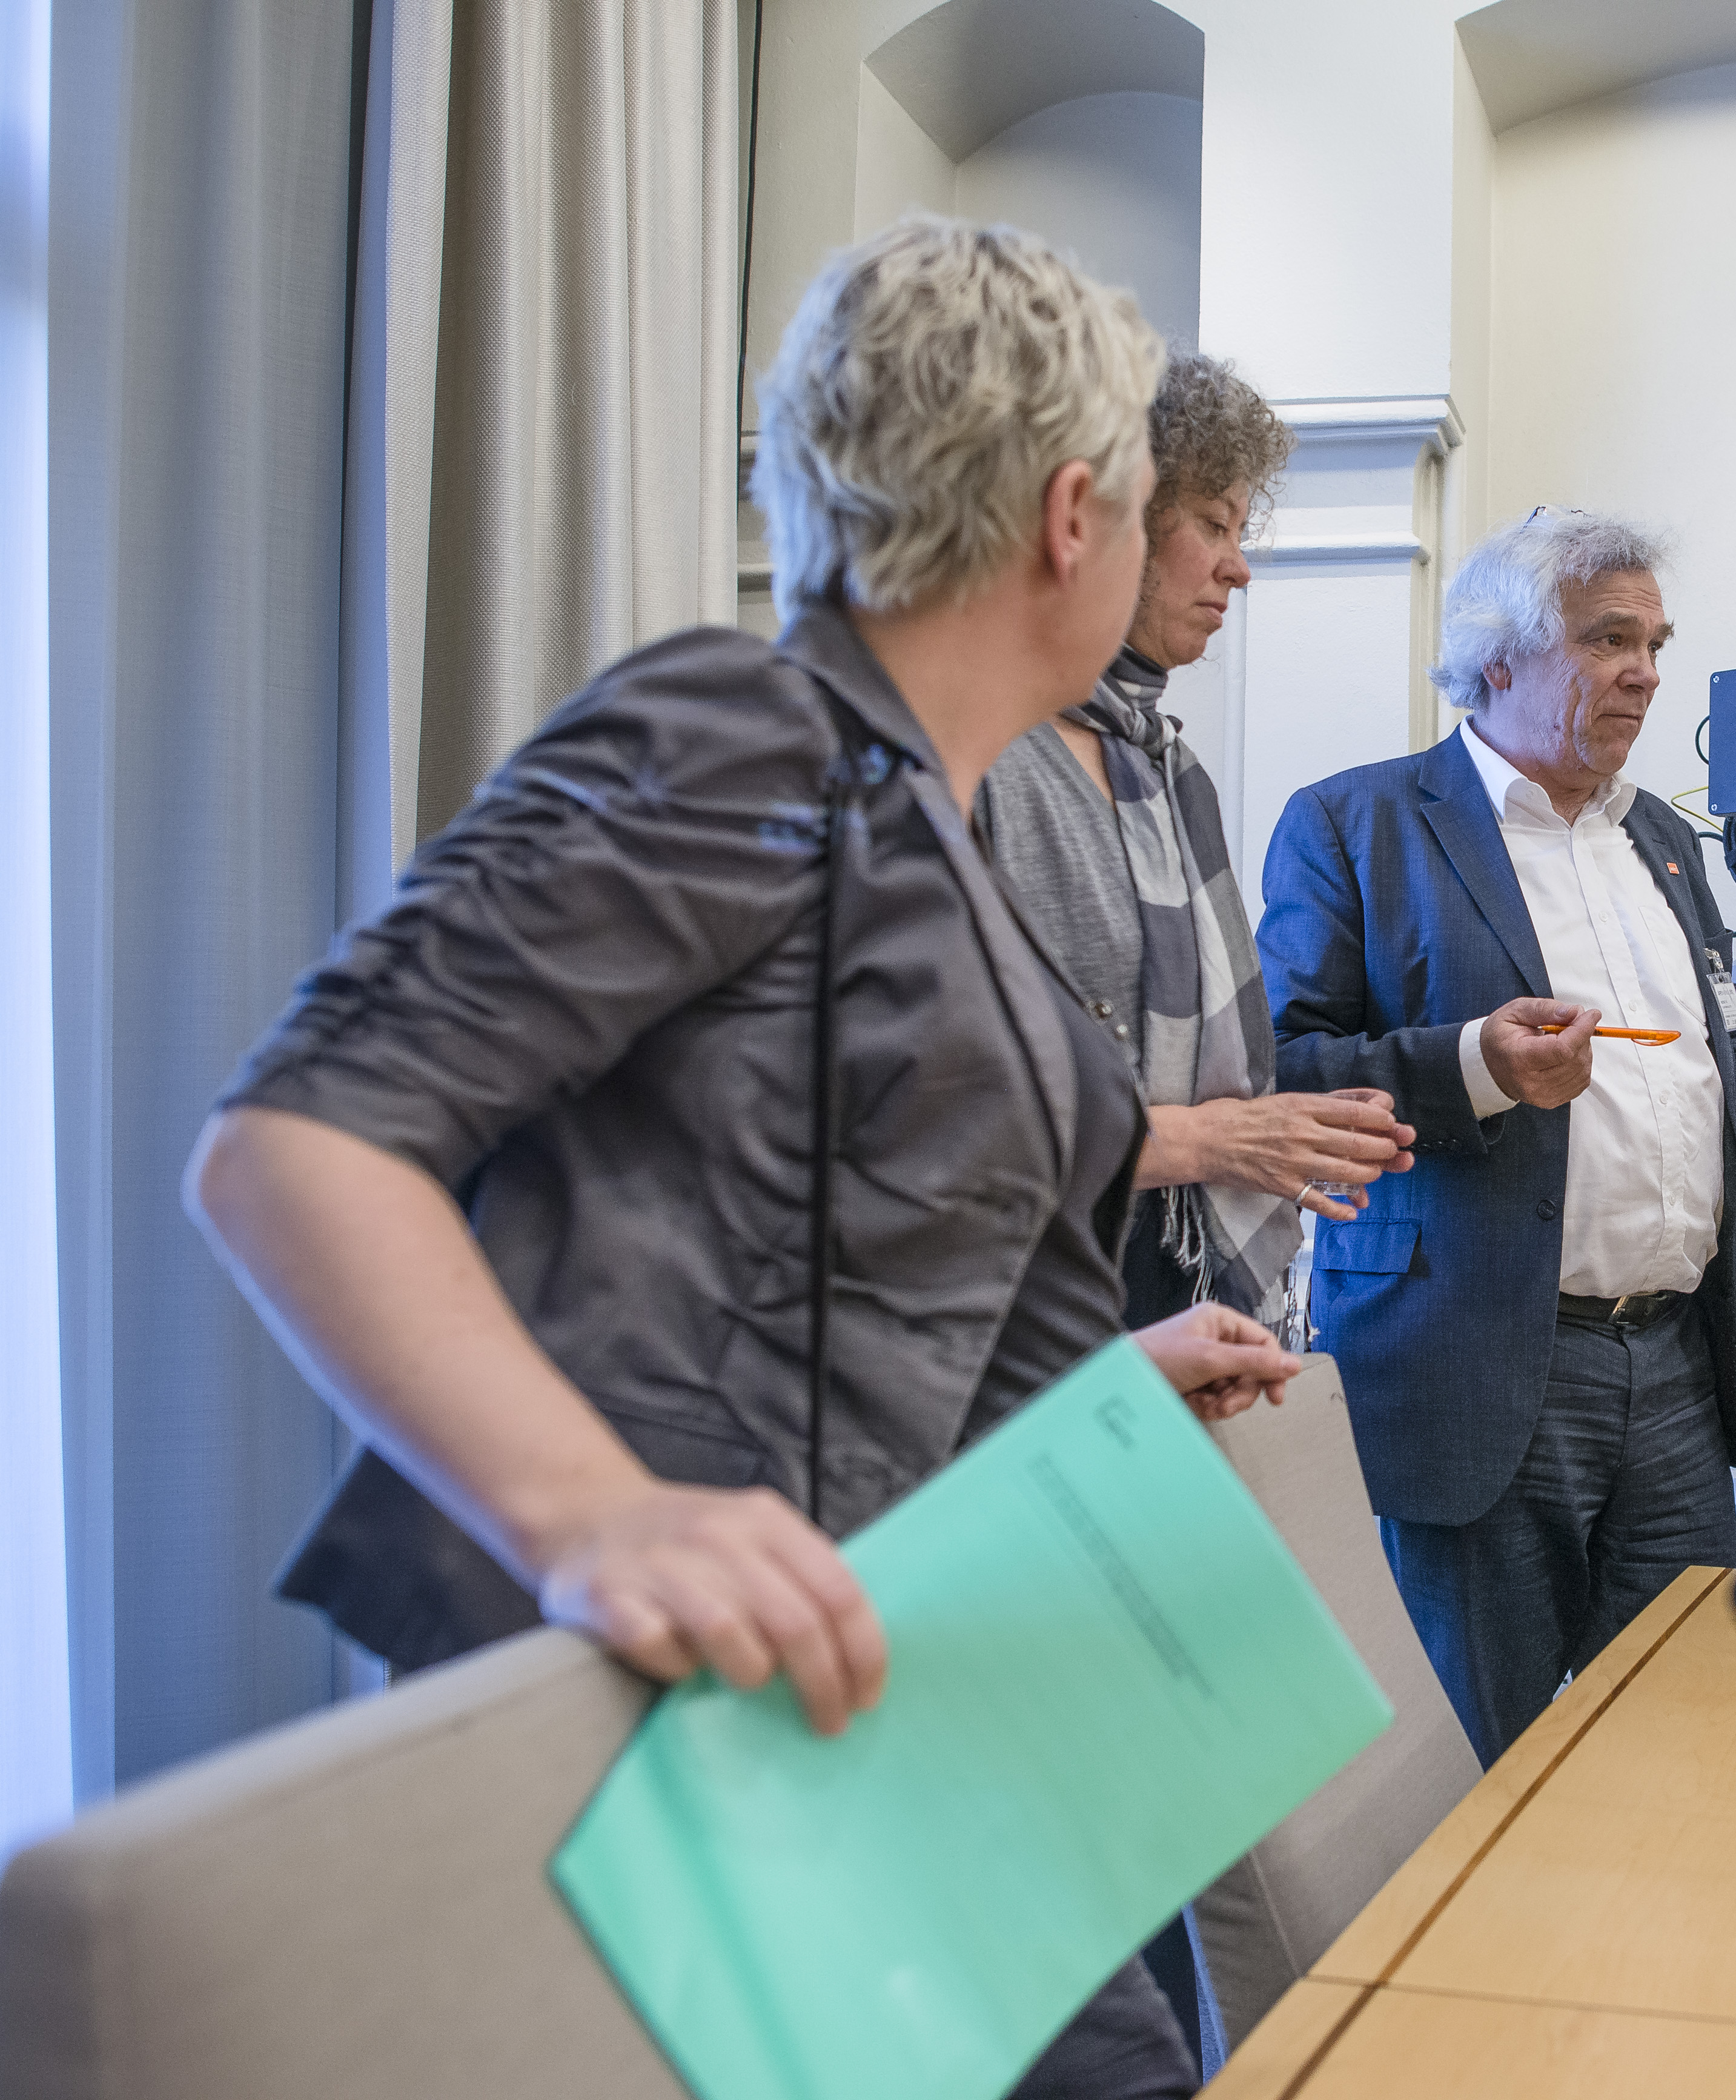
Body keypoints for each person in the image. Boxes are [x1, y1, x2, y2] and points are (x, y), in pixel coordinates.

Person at [184, 218, 1296, 2100]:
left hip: (929, 1688)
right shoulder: (743, 732)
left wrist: (1104, 1372)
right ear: (1072, 514)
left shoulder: (925, 811)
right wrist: (590, 1513)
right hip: (743, 1740)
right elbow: (295, 1145)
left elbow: (838, 1258)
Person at [1254, 508, 1736, 1767]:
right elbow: (1279, 1069)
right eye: (1610, 638)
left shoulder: (1660, 841)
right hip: (1482, 1367)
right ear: (1499, 659)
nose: (1647, 670)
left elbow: (1703, 1052)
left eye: (1653, 640)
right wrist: (1474, 1066)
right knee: (1479, 1764)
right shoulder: (1358, 824)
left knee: (1688, 1743)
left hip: (1676, 1364)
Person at [980, 357, 1415, 1327]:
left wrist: (1281, 1135)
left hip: (1168, 1277)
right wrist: (1216, 1143)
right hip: (1015, 1308)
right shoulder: (984, 754)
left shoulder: (1173, 771)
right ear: (1105, 518)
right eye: (1213, 524)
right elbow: (945, 1119)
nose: (1240, 564)